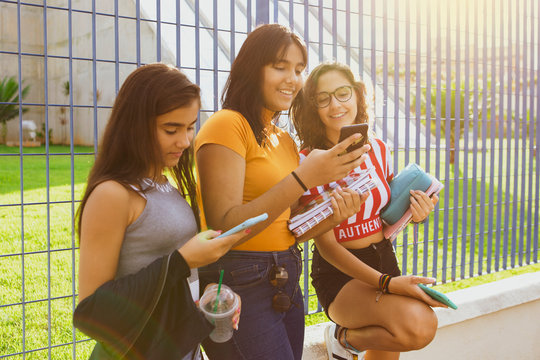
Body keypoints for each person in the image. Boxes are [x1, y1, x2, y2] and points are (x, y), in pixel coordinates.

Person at [195, 24, 370, 360]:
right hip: (239, 279)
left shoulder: (283, 140)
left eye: (299, 69)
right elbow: (224, 227)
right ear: (252, 67)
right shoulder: (227, 124)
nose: (292, 79)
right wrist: (303, 178)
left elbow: (288, 228)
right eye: (280, 66)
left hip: (286, 276)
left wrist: (334, 212)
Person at [73, 63, 247, 360]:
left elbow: (172, 272)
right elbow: (90, 312)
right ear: (136, 125)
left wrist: (209, 294)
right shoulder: (113, 195)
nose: (185, 141)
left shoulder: (164, 182)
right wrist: (182, 260)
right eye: (171, 129)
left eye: (191, 126)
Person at [291, 62, 444, 360]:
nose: (335, 104)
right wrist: (385, 283)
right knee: (420, 325)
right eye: (323, 98)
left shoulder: (378, 149)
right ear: (313, 107)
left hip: (385, 259)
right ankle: (344, 340)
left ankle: (347, 341)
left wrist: (417, 214)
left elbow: (383, 216)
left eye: (343, 93)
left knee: (398, 342)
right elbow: (327, 247)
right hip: (341, 272)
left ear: (358, 96)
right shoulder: (307, 161)